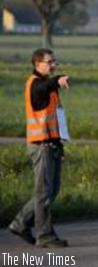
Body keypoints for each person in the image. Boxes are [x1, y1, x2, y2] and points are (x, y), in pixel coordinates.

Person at [8, 48, 71, 248]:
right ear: (37, 64)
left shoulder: (47, 85)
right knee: (43, 193)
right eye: (49, 62)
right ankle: (44, 235)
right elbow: (41, 90)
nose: (53, 65)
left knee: (50, 191)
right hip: (40, 146)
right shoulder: (35, 84)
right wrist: (58, 78)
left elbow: (54, 119)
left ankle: (20, 223)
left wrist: (59, 145)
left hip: (50, 145)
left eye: (55, 62)